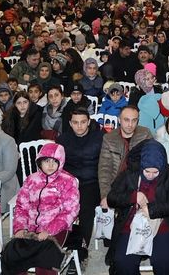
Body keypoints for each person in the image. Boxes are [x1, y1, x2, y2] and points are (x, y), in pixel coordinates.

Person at [106, 140, 169, 275]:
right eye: (147, 171)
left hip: (163, 224)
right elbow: (112, 198)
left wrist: (151, 209)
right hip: (132, 224)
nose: (150, 175)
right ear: (141, 166)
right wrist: (133, 197)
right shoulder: (130, 173)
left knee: (164, 262)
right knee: (123, 262)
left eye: (155, 172)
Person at [3, 142, 80, 275]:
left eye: (54, 161)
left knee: (46, 257)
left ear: (60, 162)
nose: (50, 165)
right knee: (13, 252)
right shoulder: (31, 180)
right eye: (46, 161)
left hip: (56, 227)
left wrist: (49, 230)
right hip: (30, 227)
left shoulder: (68, 181)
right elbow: (22, 206)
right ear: (40, 162)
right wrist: (20, 227)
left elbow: (70, 211)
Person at [57, 107, 103, 262]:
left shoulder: (100, 137)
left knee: (85, 208)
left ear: (89, 122)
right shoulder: (63, 140)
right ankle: (58, 244)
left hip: (92, 182)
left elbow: (107, 164)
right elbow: (59, 166)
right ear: (70, 123)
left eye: (83, 122)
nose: (79, 126)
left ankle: (80, 250)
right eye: (75, 122)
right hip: (69, 183)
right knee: (56, 206)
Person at [98, 104, 153, 209]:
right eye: (126, 120)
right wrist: (106, 196)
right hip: (116, 185)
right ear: (119, 119)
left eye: (134, 120)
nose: (130, 124)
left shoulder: (145, 134)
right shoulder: (109, 138)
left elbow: (151, 163)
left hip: (138, 184)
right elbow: (105, 169)